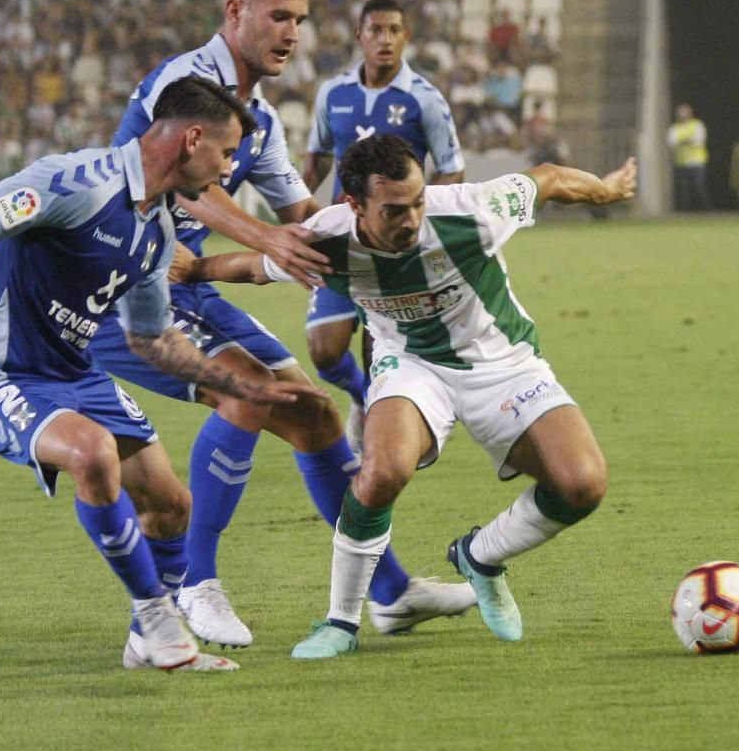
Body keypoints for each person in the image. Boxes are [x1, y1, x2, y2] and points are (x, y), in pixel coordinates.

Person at [0, 76, 324, 673]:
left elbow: (151, 338)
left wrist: (240, 386)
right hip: (0, 375)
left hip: (75, 375)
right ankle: (160, 624)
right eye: (227, 153)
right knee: (91, 453)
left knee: (169, 504)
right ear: (192, 139)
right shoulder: (74, 182)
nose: (229, 169)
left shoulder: (156, 233)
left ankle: (143, 640)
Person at [87, 0, 475, 649]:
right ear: (235, 12)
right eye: (279, 15)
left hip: (181, 282)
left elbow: (300, 213)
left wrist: (384, 244)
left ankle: (388, 592)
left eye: (300, 18)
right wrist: (268, 238)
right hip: (114, 285)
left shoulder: (259, 118)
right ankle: (194, 585)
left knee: (314, 414)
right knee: (250, 392)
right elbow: (184, 186)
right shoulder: (185, 82)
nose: (293, 32)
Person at [183, 134, 637, 658]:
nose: (412, 218)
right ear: (353, 204)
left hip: (504, 365)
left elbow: (550, 177)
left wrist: (605, 189)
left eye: (418, 202)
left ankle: (480, 557)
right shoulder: (326, 239)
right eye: (395, 210)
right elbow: (257, 269)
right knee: (381, 471)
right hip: (412, 365)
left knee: (583, 485)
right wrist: (195, 268)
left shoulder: (473, 212)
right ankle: (340, 623)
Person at [302, 0, 466, 448]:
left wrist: (418, 220)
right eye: (376, 29)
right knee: (324, 349)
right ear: (360, 36)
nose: (385, 39)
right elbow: (314, 159)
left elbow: (452, 167)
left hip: (396, 248)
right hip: (340, 241)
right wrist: (298, 214)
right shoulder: (333, 93)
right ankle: (361, 398)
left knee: (383, 351)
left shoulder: (425, 99)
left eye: (394, 30)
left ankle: (382, 428)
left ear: (406, 37)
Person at [667, 102, 708, 211]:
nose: (682, 115)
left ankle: (704, 210)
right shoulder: (674, 128)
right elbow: (672, 142)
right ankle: (685, 212)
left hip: (697, 162)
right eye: (680, 112)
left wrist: (682, 141)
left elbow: (698, 140)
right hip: (681, 162)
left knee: (699, 187)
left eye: (684, 112)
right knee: (683, 190)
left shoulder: (697, 125)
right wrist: (688, 140)